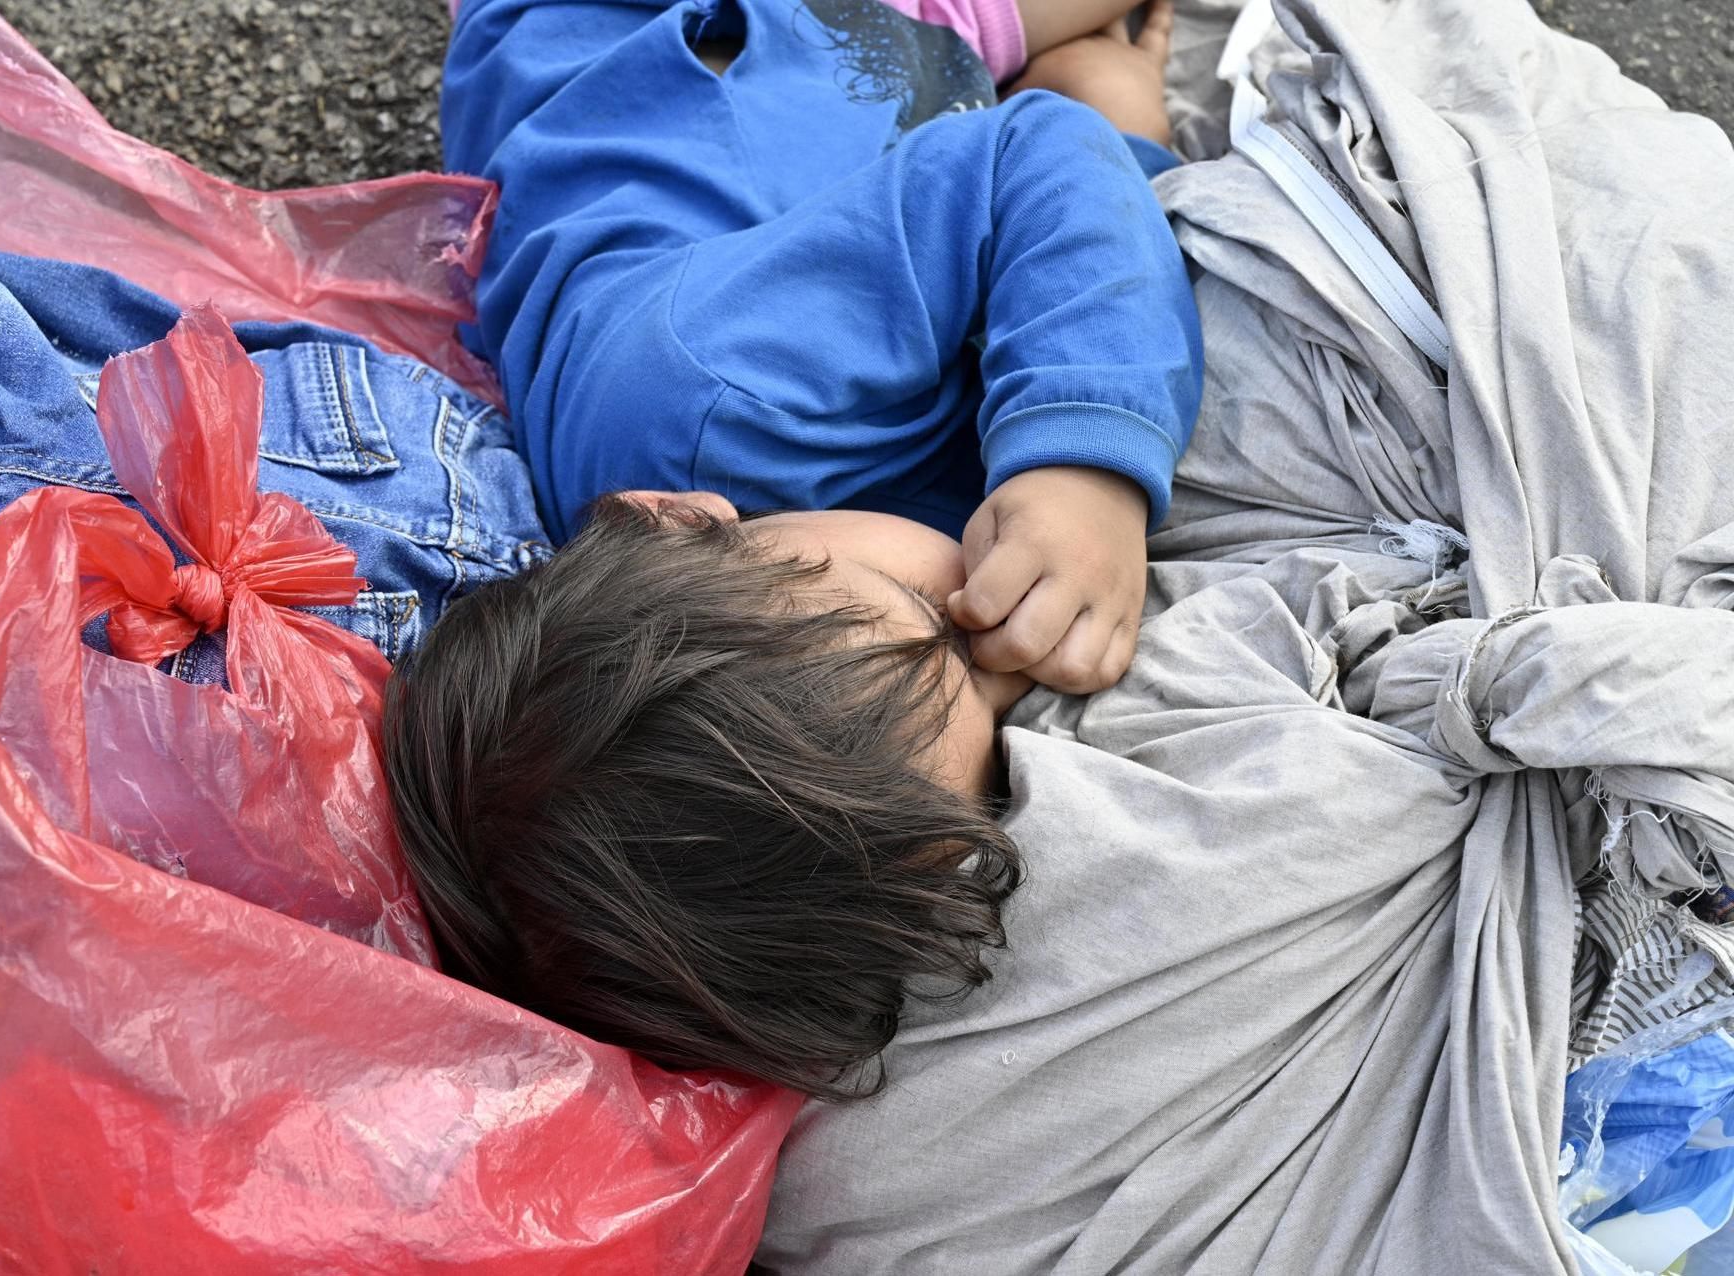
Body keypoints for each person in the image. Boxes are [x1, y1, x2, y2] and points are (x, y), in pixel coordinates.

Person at [384, 0, 1203, 1097]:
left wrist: (1084, 467)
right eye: (996, 733)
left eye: (941, 623)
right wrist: (1126, 130)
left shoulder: (731, 393)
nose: (1007, 643)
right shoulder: (797, 580)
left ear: (680, 512)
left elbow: (1034, 160)